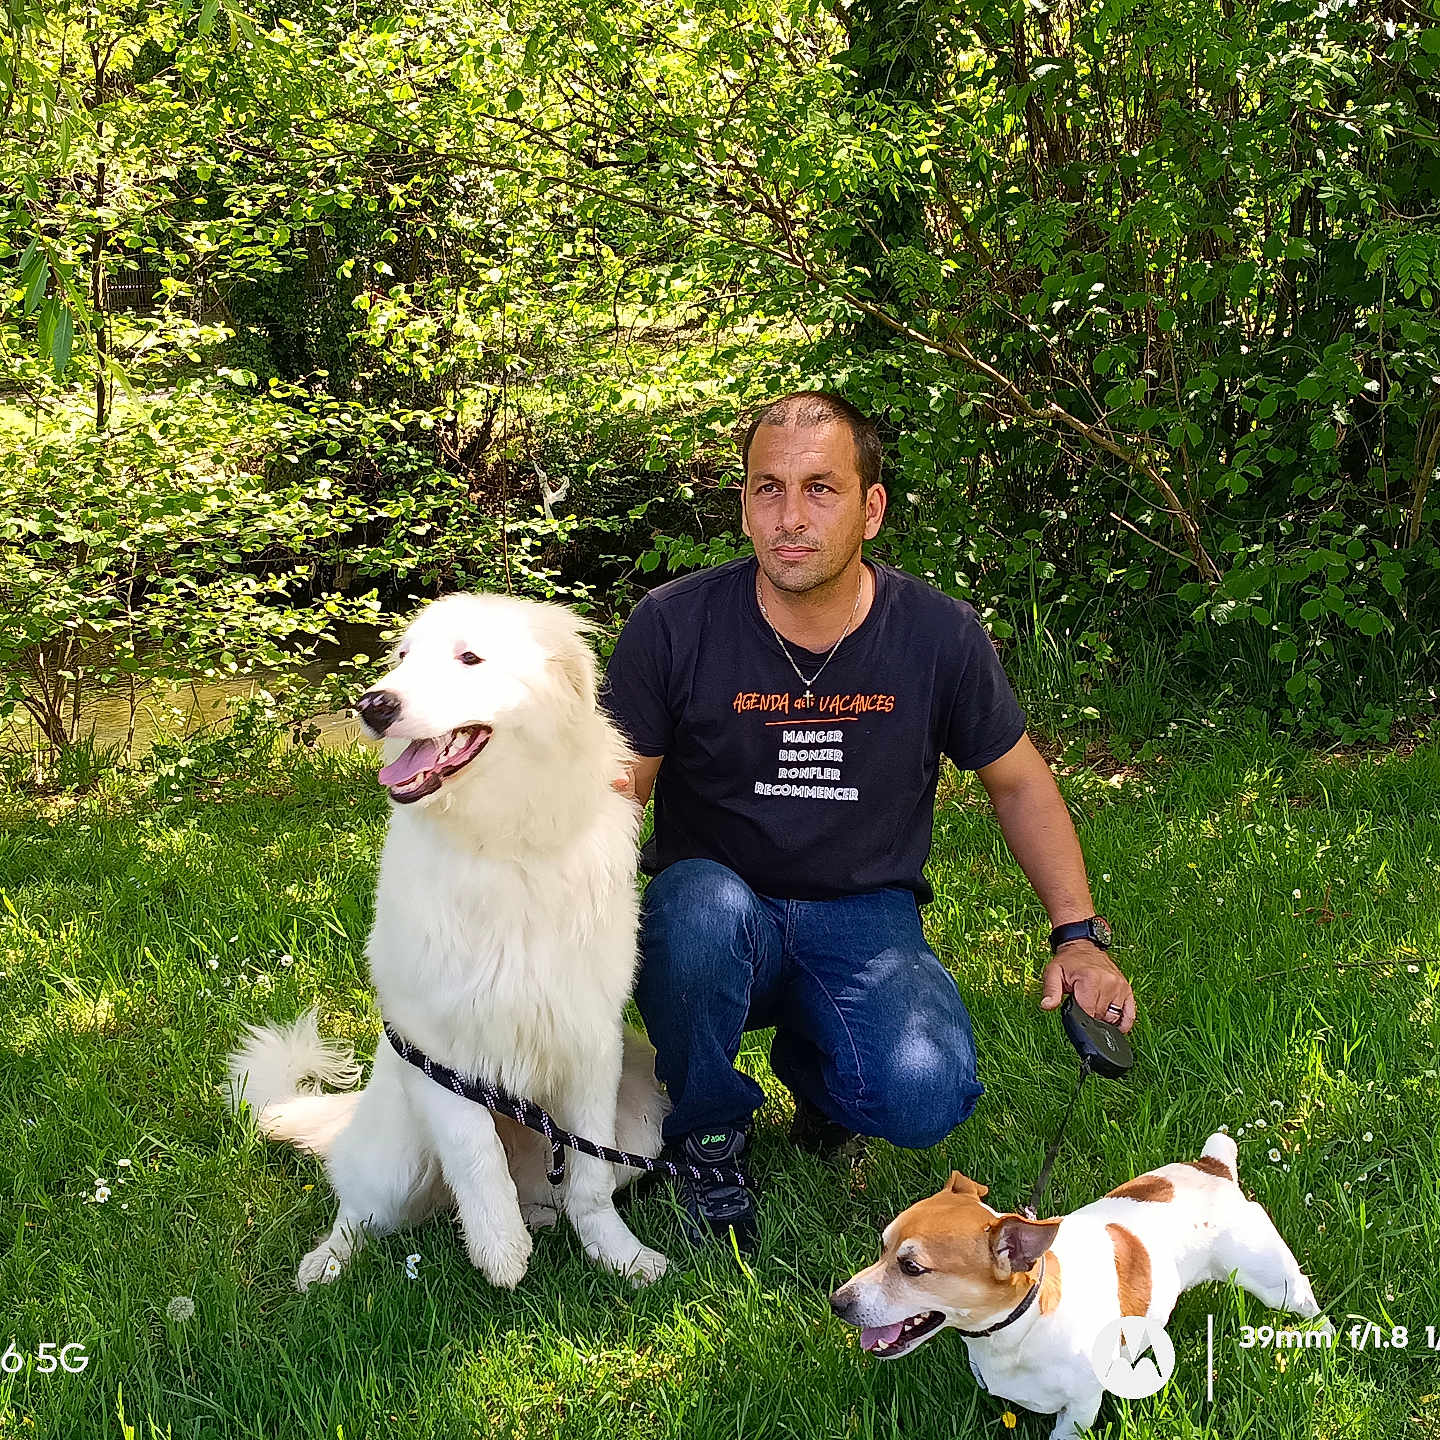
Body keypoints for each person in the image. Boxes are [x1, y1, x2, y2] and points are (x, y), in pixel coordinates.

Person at [600, 391, 1135, 1249]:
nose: (789, 517)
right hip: (711, 910)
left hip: (862, 916)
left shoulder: (938, 635)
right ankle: (704, 1132)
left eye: (820, 489)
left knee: (926, 1093)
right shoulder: (674, 624)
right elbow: (613, 795)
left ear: (871, 508)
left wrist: (1079, 934)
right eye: (767, 488)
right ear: (742, 505)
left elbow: (1021, 785)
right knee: (697, 910)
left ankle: (817, 1081)